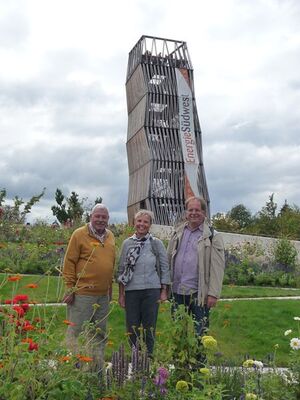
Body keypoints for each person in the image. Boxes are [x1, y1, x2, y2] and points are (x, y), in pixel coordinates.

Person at [62, 204, 115, 371]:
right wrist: (70, 288)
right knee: (76, 331)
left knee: (99, 333)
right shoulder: (79, 234)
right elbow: (69, 262)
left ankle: (95, 369)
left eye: (104, 217)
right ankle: (73, 368)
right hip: (82, 294)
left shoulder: (110, 236)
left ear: (108, 219)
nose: (100, 220)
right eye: (97, 216)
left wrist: (109, 288)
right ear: (90, 217)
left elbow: (110, 264)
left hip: (102, 295)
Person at [167, 196, 225, 338]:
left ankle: (200, 360)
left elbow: (217, 268)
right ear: (186, 213)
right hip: (177, 291)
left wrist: (213, 293)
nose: (193, 213)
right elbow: (168, 259)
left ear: (204, 213)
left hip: (199, 293)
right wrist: (165, 286)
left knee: (200, 333)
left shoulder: (212, 236)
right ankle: (180, 360)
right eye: (190, 210)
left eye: (197, 210)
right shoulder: (178, 232)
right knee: (178, 332)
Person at [118, 209, 170, 356]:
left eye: (145, 221)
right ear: (134, 223)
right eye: (139, 221)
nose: (142, 224)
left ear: (150, 225)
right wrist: (121, 295)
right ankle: (135, 361)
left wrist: (164, 290)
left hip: (151, 291)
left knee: (149, 328)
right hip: (131, 291)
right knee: (132, 328)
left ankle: (148, 360)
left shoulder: (156, 243)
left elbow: (164, 267)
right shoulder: (127, 244)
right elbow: (121, 270)